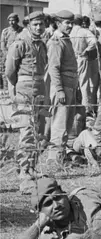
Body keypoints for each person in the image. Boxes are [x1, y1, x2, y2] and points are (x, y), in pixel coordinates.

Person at [4, 11, 48, 194]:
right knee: (27, 131)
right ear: (28, 25)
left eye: (41, 24)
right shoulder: (20, 43)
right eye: (35, 24)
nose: (39, 27)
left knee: (38, 130)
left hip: (39, 88)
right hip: (24, 88)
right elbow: (9, 71)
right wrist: (16, 90)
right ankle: (23, 169)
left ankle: (32, 166)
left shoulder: (41, 44)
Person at [47, 10, 83, 165]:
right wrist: (60, 90)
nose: (70, 26)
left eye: (71, 23)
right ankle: (54, 159)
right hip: (61, 87)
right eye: (67, 23)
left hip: (70, 86)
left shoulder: (66, 40)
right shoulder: (56, 41)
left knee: (67, 124)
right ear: (58, 23)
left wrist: (78, 88)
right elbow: (53, 68)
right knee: (59, 124)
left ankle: (61, 156)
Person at [70, 14, 97, 113]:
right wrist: (86, 50)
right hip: (82, 57)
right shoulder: (85, 31)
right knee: (84, 83)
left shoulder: (70, 32)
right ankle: (87, 107)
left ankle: (74, 105)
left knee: (73, 83)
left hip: (72, 58)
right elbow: (94, 41)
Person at [1, 13, 24, 98]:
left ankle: (18, 93)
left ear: (17, 21)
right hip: (9, 57)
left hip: (20, 57)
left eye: (13, 20)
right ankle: (9, 94)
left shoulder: (22, 30)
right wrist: (8, 56)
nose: (11, 22)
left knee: (19, 75)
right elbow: (3, 45)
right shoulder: (5, 31)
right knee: (8, 74)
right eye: (10, 21)